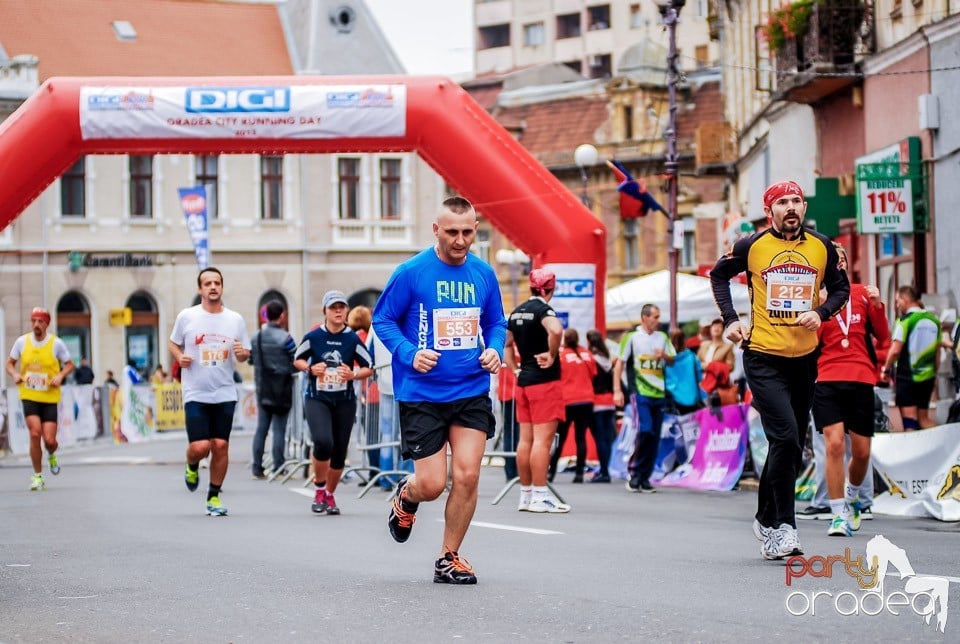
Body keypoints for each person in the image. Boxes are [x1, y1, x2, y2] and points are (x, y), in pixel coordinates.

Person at [710, 179, 848, 560]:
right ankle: (784, 528)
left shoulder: (821, 247)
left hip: (804, 359)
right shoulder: (752, 246)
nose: (791, 208)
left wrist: (819, 313)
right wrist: (731, 319)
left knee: (784, 442)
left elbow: (841, 290)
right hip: (763, 355)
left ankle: (765, 517)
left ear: (804, 208)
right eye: (783, 202)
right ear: (769, 210)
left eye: (797, 201)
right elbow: (718, 275)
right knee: (787, 438)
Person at [373, 196, 505, 585]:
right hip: (422, 393)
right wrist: (409, 353)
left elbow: (496, 321)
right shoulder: (411, 272)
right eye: (452, 232)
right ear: (436, 229)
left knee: (466, 476)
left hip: (470, 388)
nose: (460, 240)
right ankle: (407, 497)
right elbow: (383, 319)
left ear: (476, 229)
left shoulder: (483, 273)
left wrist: (495, 349)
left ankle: (449, 557)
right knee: (432, 484)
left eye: (467, 232)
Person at [812, 257, 890, 536]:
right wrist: (814, 313)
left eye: (840, 259)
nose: (837, 265)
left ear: (846, 264)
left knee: (862, 452)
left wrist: (878, 305)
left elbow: (883, 337)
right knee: (834, 445)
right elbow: (810, 344)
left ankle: (853, 497)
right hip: (827, 378)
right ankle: (837, 516)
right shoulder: (816, 298)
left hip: (860, 378)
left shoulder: (862, 294)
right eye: (831, 261)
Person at [168, 267, 251, 516]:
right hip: (196, 391)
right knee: (201, 446)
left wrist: (242, 354)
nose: (212, 287)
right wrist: (180, 356)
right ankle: (192, 463)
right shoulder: (187, 316)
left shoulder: (234, 319)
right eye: (207, 283)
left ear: (222, 287)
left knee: (221, 444)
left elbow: (245, 353)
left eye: (217, 283)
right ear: (200, 289)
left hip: (224, 391)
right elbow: (173, 342)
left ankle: (213, 496)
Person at [294, 290, 373, 515]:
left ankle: (329, 494)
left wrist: (353, 374)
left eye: (341, 307)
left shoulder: (352, 339)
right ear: (325, 311)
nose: (338, 311)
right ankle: (319, 489)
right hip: (317, 398)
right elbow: (297, 359)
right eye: (333, 307)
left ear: (347, 311)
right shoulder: (314, 337)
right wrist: (310, 368)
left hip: (344, 400)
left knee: (339, 451)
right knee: (322, 442)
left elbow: (369, 365)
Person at [504, 268, 568, 513]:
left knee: (526, 441)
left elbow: (507, 344)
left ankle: (526, 495)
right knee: (543, 441)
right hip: (544, 381)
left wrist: (515, 369)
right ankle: (541, 496)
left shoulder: (518, 311)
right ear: (551, 288)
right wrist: (552, 354)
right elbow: (556, 330)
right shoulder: (543, 310)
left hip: (524, 381)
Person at [6, 307, 75, 490]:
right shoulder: (22, 342)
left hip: (50, 396)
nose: (36, 324)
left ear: (47, 324)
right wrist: (14, 374)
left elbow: (70, 365)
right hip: (29, 394)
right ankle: (37, 476)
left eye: (40, 321)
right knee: (35, 433)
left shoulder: (56, 344)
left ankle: (51, 453)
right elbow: (9, 364)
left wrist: (60, 376)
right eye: (34, 321)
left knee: (50, 440)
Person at [613, 303, 675, 493]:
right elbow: (619, 365)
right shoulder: (632, 338)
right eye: (655, 317)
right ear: (644, 318)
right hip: (639, 392)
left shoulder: (662, 337)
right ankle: (635, 472)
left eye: (658, 316)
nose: (658, 320)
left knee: (654, 436)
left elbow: (672, 360)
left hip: (659, 393)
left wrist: (663, 355)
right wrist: (617, 390)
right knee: (645, 431)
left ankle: (645, 477)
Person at [882, 286, 942, 430]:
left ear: (906, 300)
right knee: (924, 419)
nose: (897, 305)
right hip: (927, 377)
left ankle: (915, 452)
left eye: (898, 301)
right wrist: (934, 375)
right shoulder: (934, 320)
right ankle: (946, 445)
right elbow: (938, 353)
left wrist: (886, 369)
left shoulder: (905, 321)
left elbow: (895, 351)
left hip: (907, 377)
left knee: (910, 422)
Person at [250, 300, 297, 479]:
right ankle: (279, 466)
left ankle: (257, 467)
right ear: (282, 316)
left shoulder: (257, 337)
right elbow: (296, 360)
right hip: (282, 387)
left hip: (262, 388)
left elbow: (251, 360)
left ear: (266, 315)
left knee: (261, 429)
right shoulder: (286, 338)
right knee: (279, 429)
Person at [549, 328, 596, 484]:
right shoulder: (587, 354)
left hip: (568, 401)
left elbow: (555, 375)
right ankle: (579, 474)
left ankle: (551, 473)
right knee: (580, 437)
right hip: (586, 400)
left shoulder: (561, 355)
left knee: (560, 439)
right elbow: (593, 374)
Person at [586, 329, 618, 483]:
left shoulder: (591, 359)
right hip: (609, 401)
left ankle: (604, 471)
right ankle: (606, 469)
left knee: (600, 439)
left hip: (596, 401)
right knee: (607, 437)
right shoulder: (607, 358)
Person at [665, 329, 706, 415]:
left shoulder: (666, 360)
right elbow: (699, 377)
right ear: (684, 340)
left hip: (673, 398)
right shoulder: (692, 357)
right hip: (693, 398)